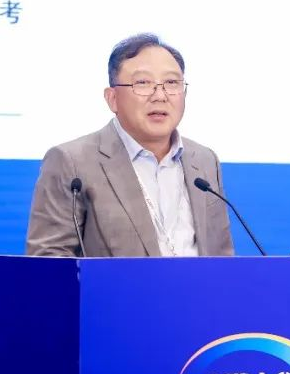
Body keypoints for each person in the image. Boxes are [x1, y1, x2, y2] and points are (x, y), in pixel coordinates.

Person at [25, 33, 234, 257]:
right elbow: (48, 261)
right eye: (142, 83)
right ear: (112, 98)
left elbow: (222, 257)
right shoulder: (71, 162)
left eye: (172, 83)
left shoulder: (204, 161)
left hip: (196, 282)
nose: (160, 96)